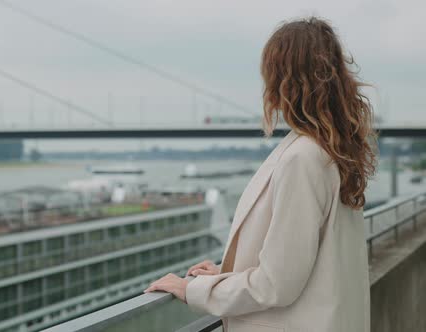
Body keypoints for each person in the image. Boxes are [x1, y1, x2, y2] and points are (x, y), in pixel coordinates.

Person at [144, 16, 376, 332]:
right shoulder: (333, 150)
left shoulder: (302, 158)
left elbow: (276, 284)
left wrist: (193, 290)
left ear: (284, 82)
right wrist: (227, 276)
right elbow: (299, 265)